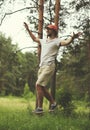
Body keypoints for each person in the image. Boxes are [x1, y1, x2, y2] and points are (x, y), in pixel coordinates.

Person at [24, 22, 81, 114]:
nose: (47, 30)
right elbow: (34, 39)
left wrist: (72, 37)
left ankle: (40, 108)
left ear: (54, 31)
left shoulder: (57, 41)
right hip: (42, 67)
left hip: (49, 66)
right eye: (46, 29)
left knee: (38, 84)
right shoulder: (43, 41)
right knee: (41, 87)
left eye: (49, 29)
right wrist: (28, 29)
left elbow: (66, 42)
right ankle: (53, 103)